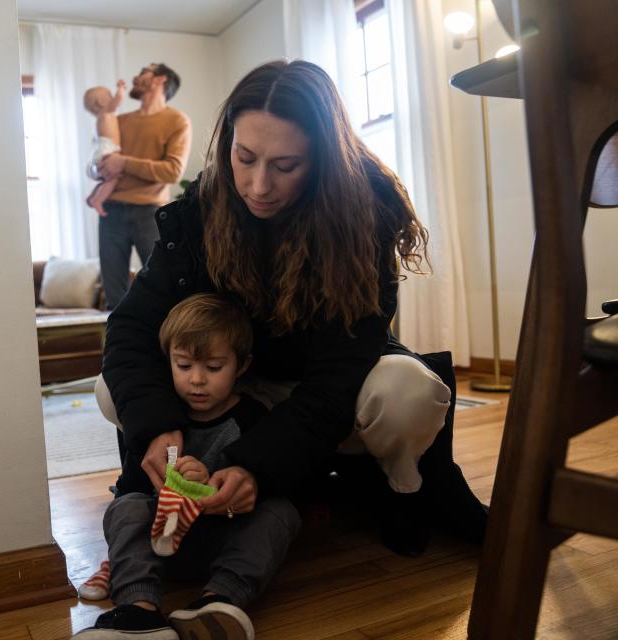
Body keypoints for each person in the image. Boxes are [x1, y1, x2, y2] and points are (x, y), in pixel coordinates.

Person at [97, 59, 488, 564]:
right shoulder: (198, 212)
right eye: (245, 157)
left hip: (324, 384)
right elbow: (130, 326)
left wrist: (255, 467)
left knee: (408, 392)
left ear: (324, 159)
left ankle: (399, 489)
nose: (259, 186)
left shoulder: (364, 216)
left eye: (286, 166)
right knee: (113, 390)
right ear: (226, 146)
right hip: (236, 380)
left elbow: (338, 378)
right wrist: (155, 427)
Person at [73, 294, 301, 640]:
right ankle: (139, 610)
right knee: (126, 506)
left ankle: (218, 602)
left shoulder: (252, 417)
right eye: (183, 366)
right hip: (160, 543)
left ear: (241, 365)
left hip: (223, 542)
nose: (196, 380)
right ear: (167, 362)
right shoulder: (158, 416)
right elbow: (134, 489)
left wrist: (211, 485)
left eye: (213, 368)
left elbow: (269, 482)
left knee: (281, 513)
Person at [94, 63, 192, 311]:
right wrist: (100, 166)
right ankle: (119, 350)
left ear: (160, 79)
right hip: (111, 212)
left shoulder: (177, 121)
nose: (136, 76)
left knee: (163, 289)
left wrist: (123, 162)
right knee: (114, 295)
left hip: (151, 214)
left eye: (144, 71)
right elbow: (102, 163)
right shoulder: (119, 120)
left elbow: (172, 171)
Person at [83, 80, 127, 217]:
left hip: (100, 151)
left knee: (107, 180)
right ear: (102, 102)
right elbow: (118, 101)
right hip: (107, 150)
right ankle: (98, 200)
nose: (112, 97)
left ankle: (93, 196)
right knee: (113, 179)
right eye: (109, 95)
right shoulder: (106, 112)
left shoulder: (101, 117)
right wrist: (121, 88)